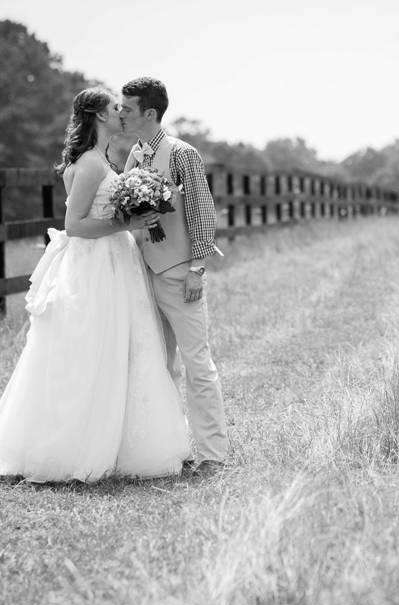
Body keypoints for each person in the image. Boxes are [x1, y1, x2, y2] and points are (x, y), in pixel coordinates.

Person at [0, 87, 190, 483]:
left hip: (112, 260)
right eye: (115, 107)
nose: (121, 113)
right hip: (96, 265)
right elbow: (74, 226)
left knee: (116, 349)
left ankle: (118, 441)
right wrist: (127, 223)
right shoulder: (92, 164)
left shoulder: (102, 159)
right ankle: (78, 446)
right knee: (95, 350)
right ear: (97, 116)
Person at [118, 77, 228, 475]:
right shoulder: (133, 155)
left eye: (127, 109)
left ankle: (212, 454)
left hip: (180, 272)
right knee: (159, 364)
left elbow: (201, 210)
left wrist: (198, 267)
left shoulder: (183, 154)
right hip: (142, 271)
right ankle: (172, 448)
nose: (120, 114)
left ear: (149, 113)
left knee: (198, 364)